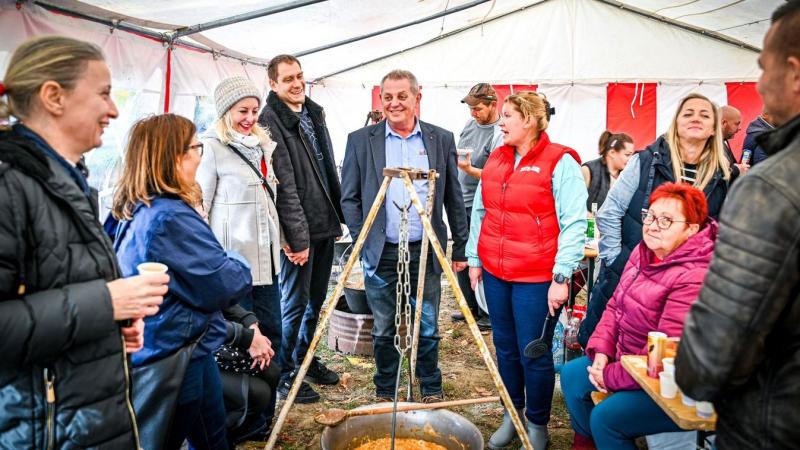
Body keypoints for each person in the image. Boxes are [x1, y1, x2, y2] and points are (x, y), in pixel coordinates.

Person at [0, 36, 168, 449]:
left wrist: (107, 330)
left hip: (81, 417)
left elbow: (53, 290)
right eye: (104, 94)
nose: (113, 110)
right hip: (46, 429)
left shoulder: (66, 178)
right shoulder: (9, 185)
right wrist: (108, 302)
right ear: (54, 96)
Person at [676, 2, 800, 448]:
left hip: (774, 425)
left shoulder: (773, 187)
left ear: (795, 74)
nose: (761, 85)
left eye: (764, 68)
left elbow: (710, 361)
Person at [113, 114, 253, 449]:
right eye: (196, 147)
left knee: (212, 435)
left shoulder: (138, 207)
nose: (199, 156)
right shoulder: (169, 217)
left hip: (190, 347)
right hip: (171, 355)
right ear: (173, 156)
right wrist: (236, 258)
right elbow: (227, 282)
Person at [466, 91, 587, 450]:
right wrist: (474, 258)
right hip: (495, 272)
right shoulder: (497, 158)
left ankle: (537, 424)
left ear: (530, 121)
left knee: (532, 351)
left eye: (507, 116)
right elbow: (480, 211)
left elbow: (575, 223)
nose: (500, 123)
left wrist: (561, 277)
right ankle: (511, 414)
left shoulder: (559, 161)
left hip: (536, 277)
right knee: (504, 348)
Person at [340, 69, 469, 403]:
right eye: (387, 97)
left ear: (417, 97)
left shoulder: (440, 138)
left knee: (427, 324)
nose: (394, 103)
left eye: (402, 96)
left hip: (424, 247)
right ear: (380, 99)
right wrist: (362, 238)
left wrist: (460, 246)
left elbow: (454, 196)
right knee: (383, 327)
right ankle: (385, 389)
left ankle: (430, 384)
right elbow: (350, 197)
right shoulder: (360, 140)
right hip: (381, 249)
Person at [561, 183, 717, 449]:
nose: (653, 225)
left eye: (666, 220)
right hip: (627, 359)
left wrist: (609, 375)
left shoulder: (694, 275)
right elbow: (614, 308)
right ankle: (587, 443)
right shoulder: (644, 252)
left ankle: (605, 437)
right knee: (572, 376)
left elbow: (663, 352)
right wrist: (601, 353)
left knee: (607, 418)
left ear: (691, 229)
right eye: (651, 216)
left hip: (669, 379)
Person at [578, 93, 730, 349]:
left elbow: (720, 234)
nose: (696, 118)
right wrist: (616, 259)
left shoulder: (724, 175)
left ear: (714, 129)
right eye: (688, 113)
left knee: (658, 357)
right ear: (676, 123)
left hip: (683, 288)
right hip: (629, 273)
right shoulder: (646, 161)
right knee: (601, 348)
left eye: (705, 115)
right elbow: (610, 211)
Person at [258, 54, 344, 403]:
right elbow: (285, 185)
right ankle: (283, 374)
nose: (297, 83)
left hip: (323, 223)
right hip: (300, 229)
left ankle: (304, 359)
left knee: (317, 300)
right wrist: (296, 237)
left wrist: (339, 216)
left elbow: (326, 171)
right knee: (293, 304)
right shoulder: (269, 122)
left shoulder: (312, 112)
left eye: (299, 76)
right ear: (273, 84)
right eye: (288, 78)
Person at [197, 76, 282, 358]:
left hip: (266, 258)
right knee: (243, 334)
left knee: (272, 328)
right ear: (226, 112)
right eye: (242, 111)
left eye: (254, 111)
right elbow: (201, 206)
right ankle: (245, 396)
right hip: (233, 259)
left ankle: (273, 387)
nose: (249, 118)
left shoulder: (262, 145)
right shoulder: (211, 147)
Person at [452, 82, 503, 330]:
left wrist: (469, 170)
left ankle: (487, 311)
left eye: (479, 108)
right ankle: (469, 307)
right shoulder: (471, 123)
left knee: (479, 257)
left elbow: (499, 176)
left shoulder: (500, 133)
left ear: (494, 105)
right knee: (460, 254)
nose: (473, 113)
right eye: (471, 108)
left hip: (481, 204)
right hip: (461, 199)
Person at [216, 304, 280, 446]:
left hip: (219, 335)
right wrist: (245, 337)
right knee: (258, 394)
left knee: (271, 372)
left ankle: (244, 433)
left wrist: (252, 326)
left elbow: (225, 300)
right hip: (188, 353)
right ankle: (220, 438)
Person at [581, 130, 635, 211]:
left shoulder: (628, 175)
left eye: (632, 155)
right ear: (612, 153)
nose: (631, 159)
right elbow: (574, 204)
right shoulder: (587, 170)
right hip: (589, 223)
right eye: (627, 155)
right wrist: (589, 217)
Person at [720, 105, 748, 180]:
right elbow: (717, 176)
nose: (740, 128)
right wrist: (736, 169)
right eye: (737, 124)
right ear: (723, 123)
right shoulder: (710, 144)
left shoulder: (724, 140)